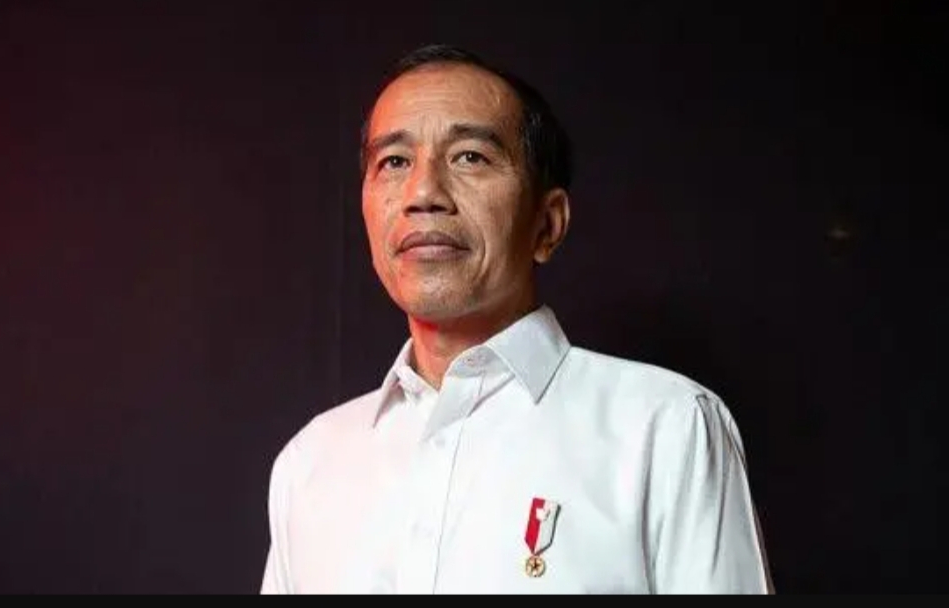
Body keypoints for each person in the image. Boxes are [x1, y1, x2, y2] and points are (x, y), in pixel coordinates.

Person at [260, 43, 774, 594]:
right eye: (395, 162)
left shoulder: (666, 428)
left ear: (547, 224)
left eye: (470, 157)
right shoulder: (310, 463)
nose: (423, 193)